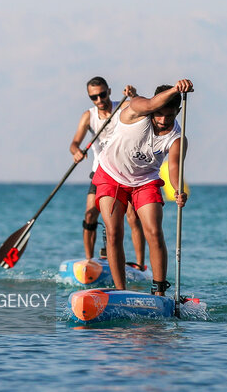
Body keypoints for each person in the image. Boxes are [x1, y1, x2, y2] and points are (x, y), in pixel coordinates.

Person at [92, 79, 193, 296]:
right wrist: (176, 88)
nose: (163, 120)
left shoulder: (177, 138)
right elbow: (148, 105)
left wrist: (178, 190)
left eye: (170, 115)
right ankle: (121, 292)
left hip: (144, 181)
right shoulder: (136, 108)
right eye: (159, 113)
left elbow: (174, 168)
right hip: (111, 175)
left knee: (154, 232)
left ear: (179, 111)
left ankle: (159, 291)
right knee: (114, 232)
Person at [69, 76, 146, 268]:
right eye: (94, 97)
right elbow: (74, 143)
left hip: (125, 171)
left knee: (132, 216)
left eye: (102, 95)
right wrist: (76, 152)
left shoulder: (122, 107)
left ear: (109, 92)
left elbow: (142, 107)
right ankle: (89, 260)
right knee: (89, 215)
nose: (99, 100)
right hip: (100, 173)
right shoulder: (89, 116)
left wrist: (134, 95)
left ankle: (139, 264)